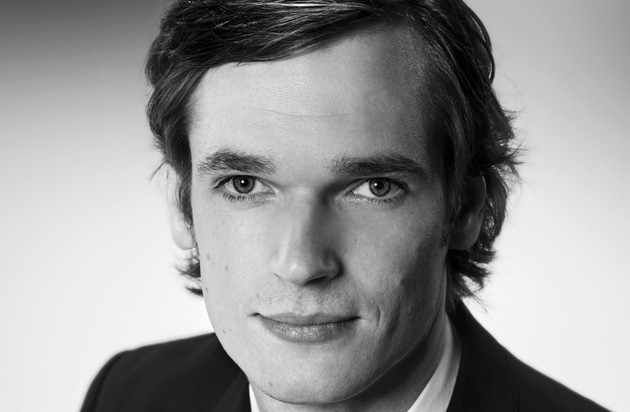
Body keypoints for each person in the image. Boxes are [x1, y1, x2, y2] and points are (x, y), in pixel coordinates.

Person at [81, 0, 608, 411]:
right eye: (244, 184)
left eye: (374, 187)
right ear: (183, 206)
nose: (301, 264)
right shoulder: (125, 396)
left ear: (464, 209)